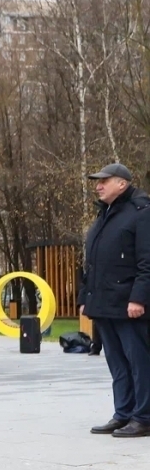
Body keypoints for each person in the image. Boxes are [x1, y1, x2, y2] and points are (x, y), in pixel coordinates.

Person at [80, 163, 150, 438]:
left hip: (129, 305)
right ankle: (123, 413)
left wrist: (138, 298)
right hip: (104, 304)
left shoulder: (141, 212)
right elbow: (92, 263)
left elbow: (147, 262)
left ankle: (144, 417)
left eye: (104, 181)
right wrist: (85, 297)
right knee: (117, 364)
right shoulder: (105, 215)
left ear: (122, 184)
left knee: (139, 363)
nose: (98, 186)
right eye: (97, 181)